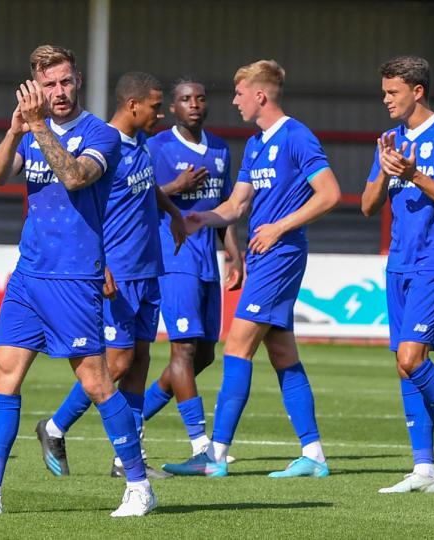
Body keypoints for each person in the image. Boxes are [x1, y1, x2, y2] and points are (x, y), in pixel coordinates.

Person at [0, 45, 157, 517]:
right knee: (2, 374)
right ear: (36, 86)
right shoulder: (31, 130)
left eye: (66, 81)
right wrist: (16, 131)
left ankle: (138, 486)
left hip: (73, 277)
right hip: (29, 273)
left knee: (96, 382)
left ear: (79, 81)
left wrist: (36, 126)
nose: (59, 91)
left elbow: (74, 176)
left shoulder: (101, 134)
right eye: (49, 84)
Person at [164, 60, 340, 478]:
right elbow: (237, 205)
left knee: (236, 348)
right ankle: (313, 454)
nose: (234, 101)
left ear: (260, 95)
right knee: (282, 354)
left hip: (281, 255)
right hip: (264, 257)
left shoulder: (297, 137)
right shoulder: (256, 143)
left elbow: (330, 194)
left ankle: (215, 456)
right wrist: (200, 218)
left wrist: (280, 226)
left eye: (240, 93)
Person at [33, 71, 184, 480]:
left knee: (139, 362)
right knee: (115, 363)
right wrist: (101, 264)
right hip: (117, 271)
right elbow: (87, 211)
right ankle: (54, 427)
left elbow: (147, 187)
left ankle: (127, 458)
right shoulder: (105, 145)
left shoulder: (141, 142)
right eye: (155, 106)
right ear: (133, 106)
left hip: (147, 269)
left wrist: (173, 213)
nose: (161, 114)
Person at [361, 55, 434, 494]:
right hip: (399, 262)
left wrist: (415, 174)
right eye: (384, 92)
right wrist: (385, 169)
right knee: (404, 365)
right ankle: (424, 470)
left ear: (417, 91)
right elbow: (368, 206)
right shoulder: (390, 141)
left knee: (412, 358)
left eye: (392, 92)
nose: (386, 100)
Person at [140, 79, 244, 464]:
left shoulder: (219, 148)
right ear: (173, 107)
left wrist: (233, 253)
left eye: (200, 98)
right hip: (174, 257)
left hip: (206, 261)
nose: (194, 104)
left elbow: (226, 206)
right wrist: (175, 185)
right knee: (182, 348)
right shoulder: (156, 147)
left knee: (204, 355)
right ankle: (201, 445)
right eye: (185, 99)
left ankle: (134, 416)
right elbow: (137, 198)